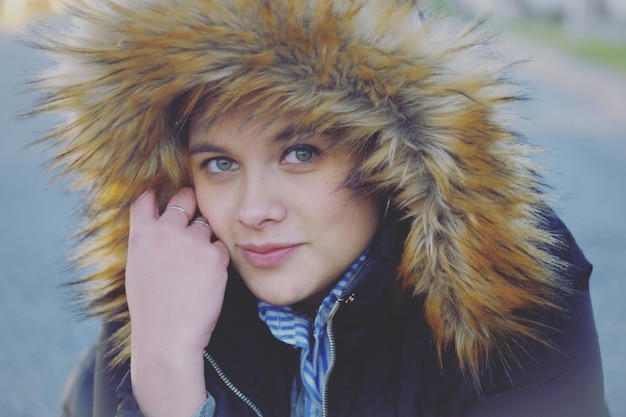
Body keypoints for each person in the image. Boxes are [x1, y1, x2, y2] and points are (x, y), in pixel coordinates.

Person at [30, 0, 608, 416]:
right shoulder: (156, 304)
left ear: (389, 159)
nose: (253, 211)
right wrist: (163, 374)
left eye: (301, 153)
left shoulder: (507, 291)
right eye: (220, 164)